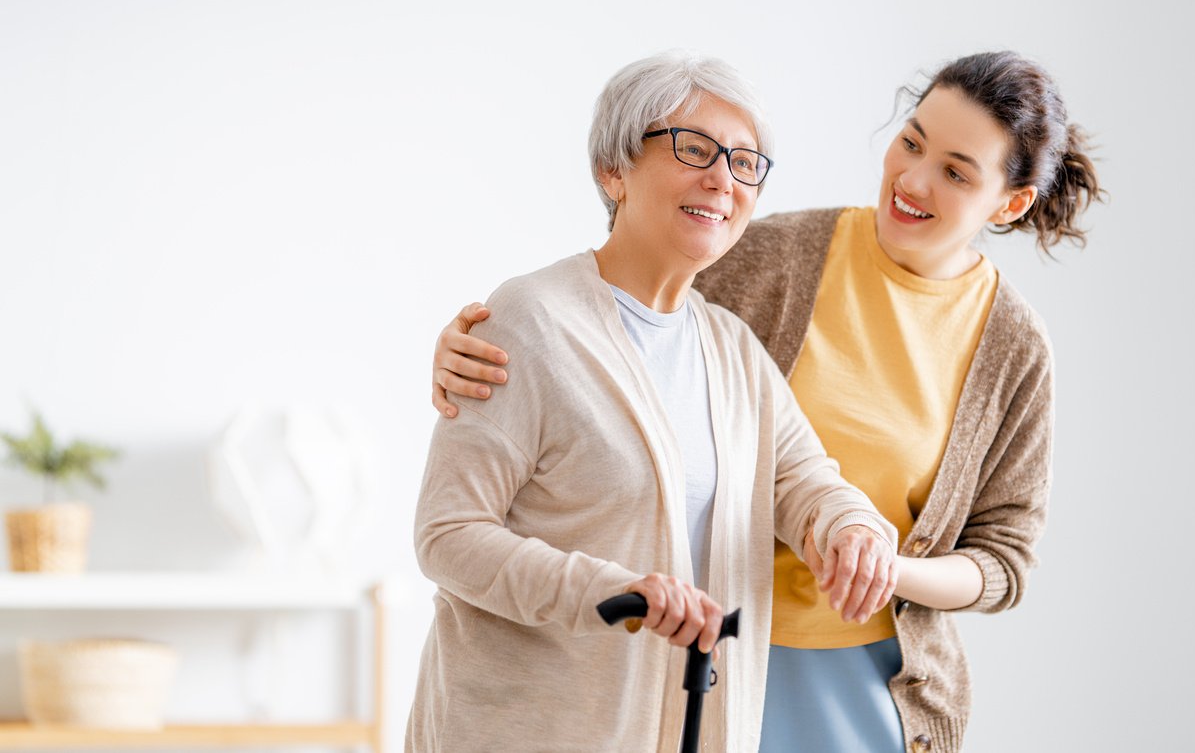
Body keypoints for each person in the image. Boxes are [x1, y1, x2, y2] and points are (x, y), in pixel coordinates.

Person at [431, 50, 1104, 752]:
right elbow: (607, 320)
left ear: (1010, 201)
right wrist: (476, 344)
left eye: (957, 171)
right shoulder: (771, 254)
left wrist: (870, 550)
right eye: (911, 141)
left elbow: (816, 480)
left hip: (833, 670)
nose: (913, 178)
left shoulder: (1009, 345)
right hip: (683, 650)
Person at [406, 51, 899, 753]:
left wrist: (853, 530)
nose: (722, 178)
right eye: (694, 148)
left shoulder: (733, 352)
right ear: (615, 169)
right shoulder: (530, 320)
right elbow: (447, 533)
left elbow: (807, 481)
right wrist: (617, 592)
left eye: (745, 162)